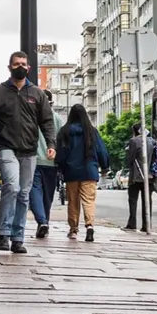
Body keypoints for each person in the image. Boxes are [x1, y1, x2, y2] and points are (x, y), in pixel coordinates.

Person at [0, 51, 57, 254]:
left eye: (23, 64)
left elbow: (47, 121)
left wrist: (51, 144)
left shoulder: (38, 94)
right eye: (16, 64)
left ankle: (18, 238)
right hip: (6, 147)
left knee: (24, 193)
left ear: (29, 68)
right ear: (9, 67)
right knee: (12, 187)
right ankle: (4, 233)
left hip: (29, 150)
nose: (20, 67)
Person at [55, 104, 109, 243]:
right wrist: (104, 166)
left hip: (71, 171)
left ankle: (73, 229)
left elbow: (60, 153)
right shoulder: (92, 131)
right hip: (89, 171)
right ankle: (89, 226)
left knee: (73, 201)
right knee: (89, 200)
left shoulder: (64, 131)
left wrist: (60, 167)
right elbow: (101, 151)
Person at [30, 91, 65, 239]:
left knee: (35, 191)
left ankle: (42, 221)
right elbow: (60, 140)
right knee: (48, 195)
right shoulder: (57, 118)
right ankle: (45, 223)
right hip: (51, 161)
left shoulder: (31, 116)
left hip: (34, 159)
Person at [125, 123, 157, 232]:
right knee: (147, 201)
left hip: (136, 175)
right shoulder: (152, 141)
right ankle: (147, 224)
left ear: (135, 131)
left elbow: (130, 159)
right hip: (150, 176)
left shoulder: (134, 141)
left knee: (133, 200)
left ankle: (132, 223)